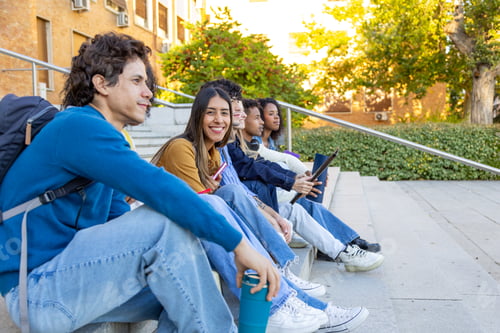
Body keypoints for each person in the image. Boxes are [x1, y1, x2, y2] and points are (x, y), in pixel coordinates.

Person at [0, 32, 280, 333]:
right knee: (164, 224)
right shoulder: (78, 127)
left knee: (181, 282)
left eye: (147, 83)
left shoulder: (105, 141)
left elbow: (115, 219)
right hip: (34, 293)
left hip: (67, 280)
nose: (149, 93)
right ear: (101, 83)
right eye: (137, 81)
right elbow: (160, 187)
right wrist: (239, 245)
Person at [152, 85, 370, 333]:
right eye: (211, 112)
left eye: (225, 113)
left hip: (190, 225)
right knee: (223, 200)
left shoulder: (211, 151)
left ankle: (303, 301)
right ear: (197, 114)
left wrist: (267, 214)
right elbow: (203, 207)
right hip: (166, 232)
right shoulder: (181, 147)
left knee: (231, 195)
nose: (219, 119)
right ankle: (282, 300)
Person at [244, 97, 382, 254]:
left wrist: (303, 177)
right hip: (264, 195)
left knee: (307, 193)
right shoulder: (251, 142)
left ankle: (343, 240)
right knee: (303, 200)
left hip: (274, 190)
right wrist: (297, 179)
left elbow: (281, 161)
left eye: (277, 114)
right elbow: (272, 165)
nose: (276, 118)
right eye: (269, 114)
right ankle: (347, 241)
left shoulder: (268, 141)